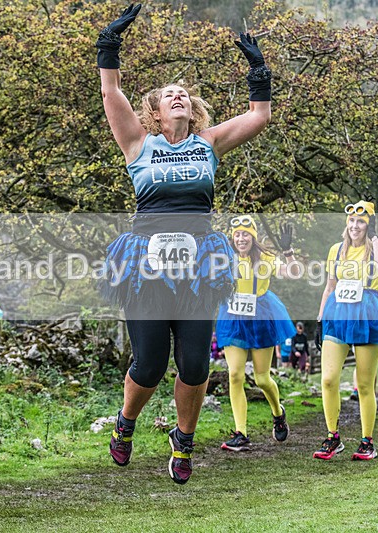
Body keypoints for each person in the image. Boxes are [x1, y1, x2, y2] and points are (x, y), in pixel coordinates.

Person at [97, 4, 272, 483]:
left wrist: (258, 72)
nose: (178, 97)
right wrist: (109, 45)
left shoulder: (208, 143)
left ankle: (184, 439)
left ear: (192, 110)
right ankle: (125, 423)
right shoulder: (138, 144)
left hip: (199, 264)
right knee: (150, 364)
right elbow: (111, 91)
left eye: (184, 95)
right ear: (155, 112)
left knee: (194, 364)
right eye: (169, 95)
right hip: (146, 263)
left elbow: (259, 116)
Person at [312, 200, 378, 461]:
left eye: (361, 221)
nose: (355, 226)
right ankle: (332, 437)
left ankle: (367, 441)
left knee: (363, 383)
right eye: (351, 221)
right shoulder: (336, 250)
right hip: (338, 312)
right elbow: (329, 286)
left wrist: (375, 239)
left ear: (369, 225)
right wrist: (320, 318)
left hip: (367, 312)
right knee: (328, 379)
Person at [216, 217, 296, 451]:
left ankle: (278, 413)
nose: (241, 239)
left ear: (253, 236)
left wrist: (288, 253)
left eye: (246, 234)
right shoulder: (225, 258)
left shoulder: (266, 258)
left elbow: (291, 273)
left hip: (261, 315)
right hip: (233, 318)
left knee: (261, 378)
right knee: (235, 374)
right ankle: (241, 433)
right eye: (237, 234)